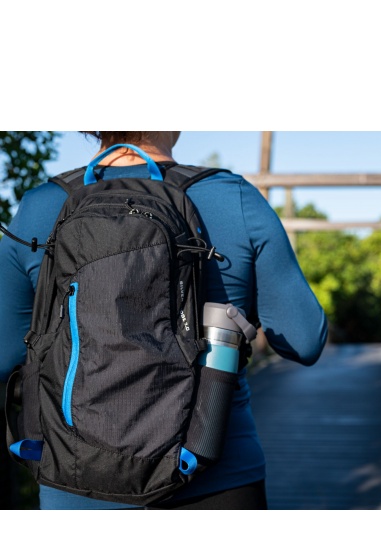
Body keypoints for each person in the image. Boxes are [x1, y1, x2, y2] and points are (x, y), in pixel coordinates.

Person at [0, 131, 328, 510]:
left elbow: (5, 356)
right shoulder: (232, 197)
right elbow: (305, 340)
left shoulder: (41, 206)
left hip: (73, 479)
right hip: (214, 473)